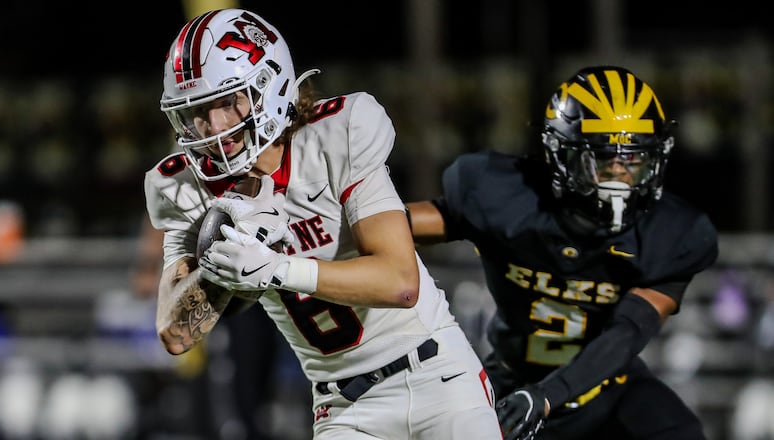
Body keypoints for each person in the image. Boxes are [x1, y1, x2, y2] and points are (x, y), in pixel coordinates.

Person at [143, 8, 502, 440]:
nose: (214, 126)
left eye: (227, 102)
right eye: (198, 111)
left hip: (435, 376)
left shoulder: (337, 135)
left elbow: (400, 282)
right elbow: (175, 334)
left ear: (269, 86)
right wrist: (220, 267)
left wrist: (276, 268)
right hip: (342, 407)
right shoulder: (184, 186)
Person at [406, 65, 718, 439]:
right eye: (603, 159)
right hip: (513, 381)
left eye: (633, 160)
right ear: (560, 154)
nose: (620, 176)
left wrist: (547, 396)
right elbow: (391, 227)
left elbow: (627, 333)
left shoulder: (671, 233)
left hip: (605, 385)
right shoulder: (509, 198)